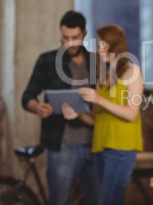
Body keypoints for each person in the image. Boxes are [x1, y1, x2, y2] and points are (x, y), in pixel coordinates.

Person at [22, 10, 99, 205]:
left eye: (75, 38)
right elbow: (27, 97)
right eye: (65, 37)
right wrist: (37, 107)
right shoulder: (47, 61)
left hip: (96, 144)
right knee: (58, 201)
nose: (69, 42)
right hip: (62, 146)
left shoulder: (96, 62)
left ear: (84, 34)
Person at [62, 24, 144, 205]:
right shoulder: (102, 78)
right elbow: (95, 120)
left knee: (108, 201)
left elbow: (131, 113)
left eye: (102, 44)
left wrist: (99, 100)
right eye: (98, 45)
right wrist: (76, 114)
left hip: (121, 149)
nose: (98, 49)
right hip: (99, 148)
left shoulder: (133, 72)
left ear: (116, 45)